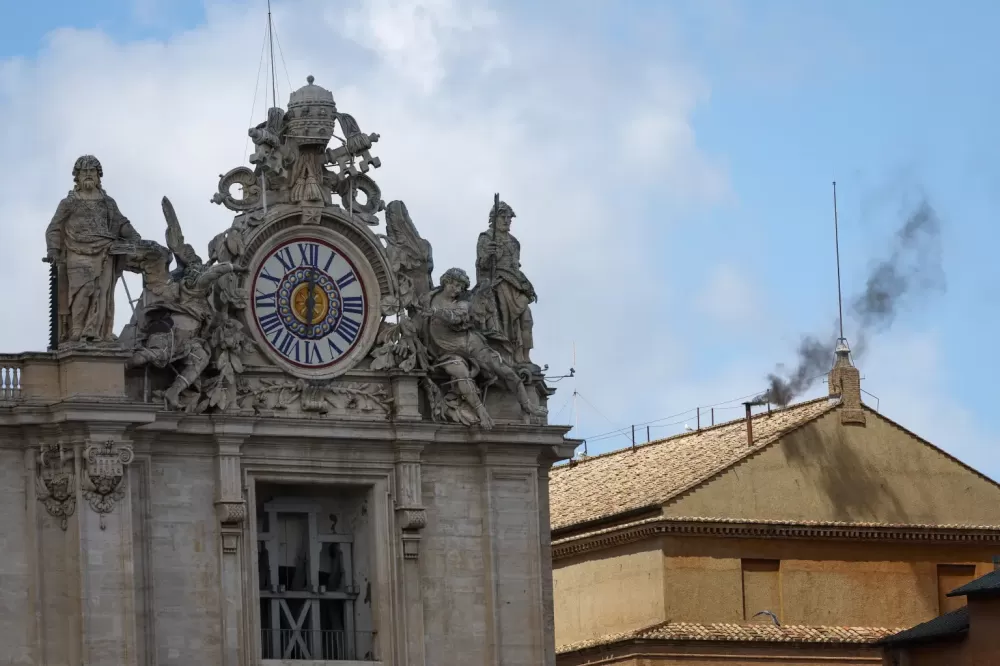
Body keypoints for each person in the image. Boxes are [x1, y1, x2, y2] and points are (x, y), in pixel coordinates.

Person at [45, 155, 141, 343]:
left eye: (92, 172)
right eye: (84, 172)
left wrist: (134, 237)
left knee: (102, 291)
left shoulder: (108, 202)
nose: (88, 175)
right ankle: (77, 329)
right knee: (83, 289)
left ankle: (97, 331)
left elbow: (121, 223)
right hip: (77, 251)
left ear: (98, 176)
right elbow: (54, 228)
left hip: (105, 250)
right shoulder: (69, 202)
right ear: (77, 177)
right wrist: (53, 250)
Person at [474, 199, 536, 365]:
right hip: (497, 284)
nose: (507, 221)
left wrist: (526, 285)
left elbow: (515, 267)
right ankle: (508, 354)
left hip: (514, 284)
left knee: (527, 318)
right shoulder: (486, 238)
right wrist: (488, 255)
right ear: (494, 218)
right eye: (504, 217)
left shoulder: (514, 242)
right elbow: (481, 265)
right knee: (504, 320)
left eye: (509, 218)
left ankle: (525, 355)